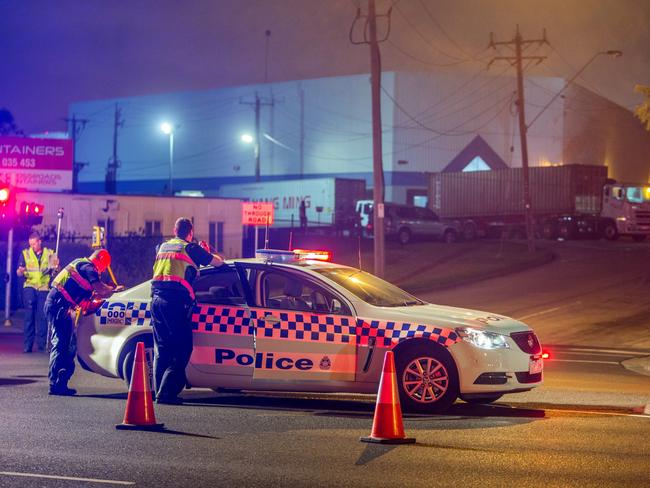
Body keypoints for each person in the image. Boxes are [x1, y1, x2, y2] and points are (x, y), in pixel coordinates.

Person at [151, 217, 223, 404]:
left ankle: (159, 391)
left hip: (156, 302)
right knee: (182, 348)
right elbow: (218, 263)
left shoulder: (162, 247)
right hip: (175, 303)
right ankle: (167, 392)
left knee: (163, 349)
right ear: (190, 232)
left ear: (174, 230)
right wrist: (206, 252)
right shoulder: (190, 247)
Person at [45, 249, 122, 396]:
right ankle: (55, 383)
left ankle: (60, 382)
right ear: (100, 259)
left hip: (60, 306)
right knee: (61, 344)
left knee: (68, 345)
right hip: (58, 306)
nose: (102, 270)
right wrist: (113, 290)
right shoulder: (88, 267)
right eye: (104, 266)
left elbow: (88, 297)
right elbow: (99, 288)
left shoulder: (82, 267)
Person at [17, 232, 58, 353]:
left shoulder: (50, 253)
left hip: (44, 288)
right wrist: (20, 271)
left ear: (40, 242)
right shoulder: (26, 254)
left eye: (34, 244)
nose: (32, 247)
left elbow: (56, 272)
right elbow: (18, 273)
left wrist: (56, 266)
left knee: (42, 316)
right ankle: (27, 345)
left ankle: (42, 345)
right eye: (31, 244)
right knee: (29, 316)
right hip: (30, 286)